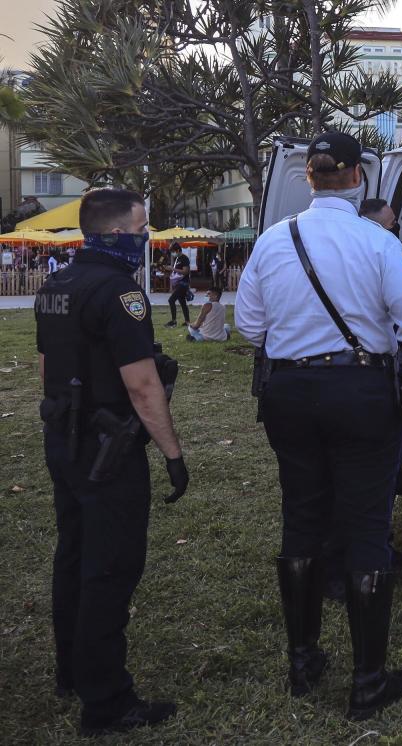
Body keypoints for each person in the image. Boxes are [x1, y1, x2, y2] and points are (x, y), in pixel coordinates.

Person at [235, 131, 402, 720]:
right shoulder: (377, 242)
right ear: (358, 178)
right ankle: (368, 680)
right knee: (366, 524)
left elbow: (250, 326)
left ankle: (303, 662)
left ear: (308, 177)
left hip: (290, 391)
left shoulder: (275, 240)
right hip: (360, 390)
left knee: (301, 515)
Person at [34, 187, 189, 737]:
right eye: (142, 227)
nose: (146, 236)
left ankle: (71, 671)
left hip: (65, 438)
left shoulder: (57, 285)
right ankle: (106, 700)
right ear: (118, 233)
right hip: (108, 448)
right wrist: (172, 454)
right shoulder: (121, 292)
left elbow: (48, 366)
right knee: (109, 568)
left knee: (72, 555)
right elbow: (143, 385)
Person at [164, 243, 191, 327]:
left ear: (178, 250)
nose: (172, 253)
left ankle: (174, 321)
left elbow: (186, 271)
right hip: (178, 283)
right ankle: (187, 321)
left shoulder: (184, 258)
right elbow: (177, 271)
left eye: (173, 251)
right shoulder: (177, 258)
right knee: (182, 302)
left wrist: (172, 268)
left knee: (171, 300)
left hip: (183, 283)